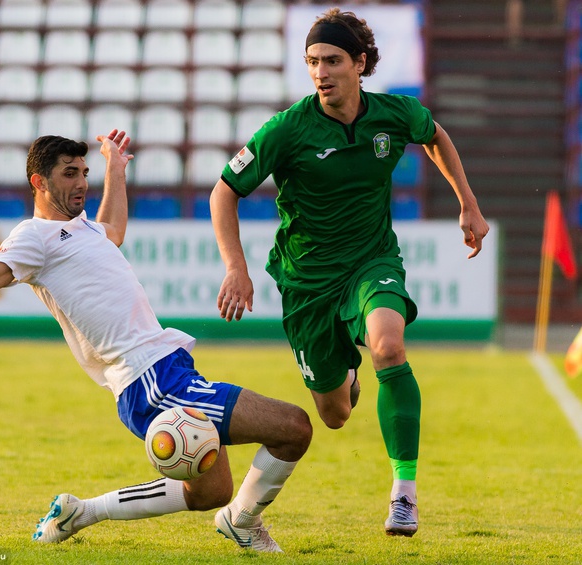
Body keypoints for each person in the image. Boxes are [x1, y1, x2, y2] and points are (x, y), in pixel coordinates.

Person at [0, 130, 313, 553]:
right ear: (38, 182)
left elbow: (112, 230)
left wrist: (115, 169)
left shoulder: (83, 229)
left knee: (211, 492)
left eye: (84, 173)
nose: (82, 182)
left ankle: (79, 513)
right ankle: (243, 523)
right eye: (70, 174)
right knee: (293, 427)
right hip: (149, 380)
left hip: (168, 369)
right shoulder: (34, 236)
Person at [209, 8, 490, 538]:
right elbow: (224, 191)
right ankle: (348, 377)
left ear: (360, 64)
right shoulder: (288, 129)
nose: (321, 71)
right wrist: (236, 267)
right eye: (313, 61)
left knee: (389, 347)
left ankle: (403, 496)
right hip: (307, 285)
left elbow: (434, 136)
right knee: (335, 413)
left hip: (371, 261)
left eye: (332, 60)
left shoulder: (393, 114)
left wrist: (468, 205)